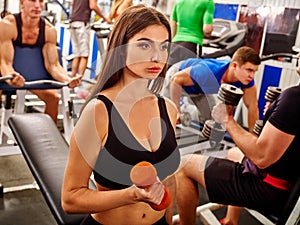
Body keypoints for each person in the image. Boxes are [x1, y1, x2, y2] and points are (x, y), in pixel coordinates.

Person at [61, 5, 180, 225]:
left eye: (163, 47)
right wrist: (131, 195)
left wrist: (169, 220)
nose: (157, 57)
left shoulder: (169, 109)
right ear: (121, 48)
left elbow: (168, 181)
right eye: (145, 45)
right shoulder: (99, 111)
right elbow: (70, 199)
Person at [174, 55, 300, 225]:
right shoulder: (292, 100)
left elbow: (261, 157)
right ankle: (231, 220)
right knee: (234, 152)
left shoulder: (294, 98)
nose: (298, 55)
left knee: (183, 165)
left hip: (267, 187)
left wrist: (227, 120)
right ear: (234, 66)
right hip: (284, 181)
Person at [0, 0, 82, 124]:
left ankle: (49, 140)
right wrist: (12, 77)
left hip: (28, 78)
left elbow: (53, 66)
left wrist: (67, 79)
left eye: (40, 1)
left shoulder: (49, 30)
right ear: (22, 2)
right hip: (5, 74)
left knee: (53, 98)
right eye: (33, 1)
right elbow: (5, 63)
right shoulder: (8, 25)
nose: (37, 5)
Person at [162, 46, 261, 132]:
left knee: (210, 119)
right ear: (234, 65)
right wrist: (177, 111)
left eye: (255, 71)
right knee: (169, 115)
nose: (252, 76)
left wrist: (254, 137)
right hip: (176, 79)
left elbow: (252, 106)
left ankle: (187, 114)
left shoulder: (246, 80)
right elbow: (176, 79)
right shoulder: (208, 71)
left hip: (199, 89)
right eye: (249, 70)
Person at [69, 0, 110, 78]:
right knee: (84, 55)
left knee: (77, 54)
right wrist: (105, 18)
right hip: (82, 23)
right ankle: (79, 80)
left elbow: (72, 3)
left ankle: (72, 79)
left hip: (73, 21)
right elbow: (92, 5)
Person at [168, 0, 214, 66]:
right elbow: (207, 29)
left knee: (170, 73)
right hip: (192, 43)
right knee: (188, 73)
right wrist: (209, 31)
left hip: (175, 44)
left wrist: (172, 43)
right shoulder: (207, 2)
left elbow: (172, 25)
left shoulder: (179, 1)